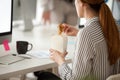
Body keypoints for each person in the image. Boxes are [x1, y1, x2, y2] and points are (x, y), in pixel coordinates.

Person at [35, 0, 120, 80]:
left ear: (82, 3)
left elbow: (74, 78)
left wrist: (60, 61)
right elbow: (99, 38)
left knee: (43, 76)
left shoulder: (86, 34)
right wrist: (78, 33)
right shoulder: (115, 26)